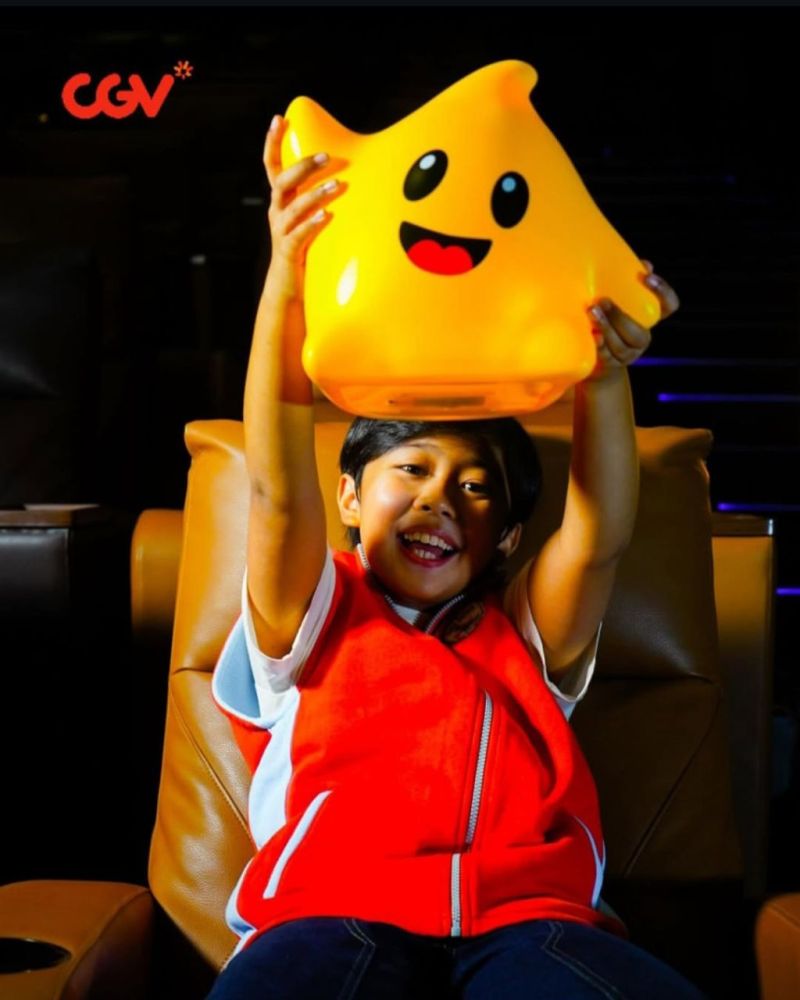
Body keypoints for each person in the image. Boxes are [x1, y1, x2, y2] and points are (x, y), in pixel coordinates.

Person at [208, 114, 703, 999]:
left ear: (507, 538)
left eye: (476, 488)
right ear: (349, 498)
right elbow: (276, 490)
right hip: (332, 913)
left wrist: (604, 371)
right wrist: (288, 273)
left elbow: (598, 538)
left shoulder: (525, 636)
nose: (439, 498)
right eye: (411, 470)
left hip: (528, 922)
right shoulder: (310, 615)